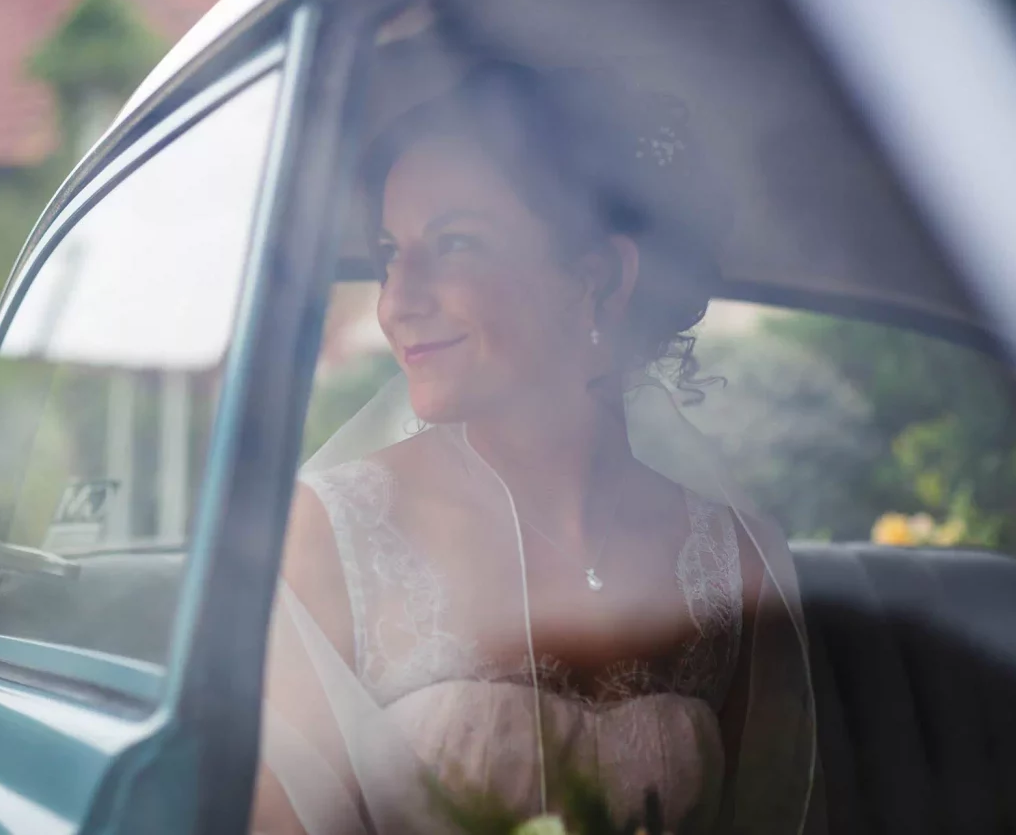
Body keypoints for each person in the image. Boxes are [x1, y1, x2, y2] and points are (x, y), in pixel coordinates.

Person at [253, 62, 815, 834]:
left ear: (599, 279)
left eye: (453, 244)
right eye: (390, 253)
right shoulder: (328, 530)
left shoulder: (737, 562)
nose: (396, 300)